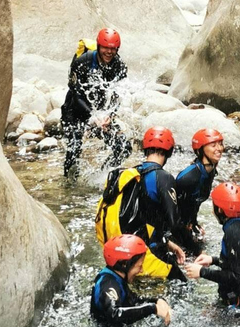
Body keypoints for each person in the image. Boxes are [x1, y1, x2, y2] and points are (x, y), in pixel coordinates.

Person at [94, 126, 186, 281]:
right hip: (147, 257)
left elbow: (140, 219)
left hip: (123, 256)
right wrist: (197, 251)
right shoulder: (163, 178)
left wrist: (169, 244)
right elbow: (174, 223)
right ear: (169, 152)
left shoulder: (131, 175)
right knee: (183, 286)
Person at [185, 182, 240, 310]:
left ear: (220, 210)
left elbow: (236, 277)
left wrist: (202, 272)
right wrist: (213, 260)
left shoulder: (234, 233)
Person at [61, 28, 131, 177]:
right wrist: (93, 116)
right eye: (105, 47)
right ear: (99, 46)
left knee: (124, 147)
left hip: (100, 114)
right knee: (74, 147)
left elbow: (117, 96)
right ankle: (69, 183)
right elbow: (76, 94)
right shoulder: (82, 62)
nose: (109, 52)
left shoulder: (119, 67)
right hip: (75, 111)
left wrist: (109, 116)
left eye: (113, 49)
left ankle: (103, 175)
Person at [91, 234, 172, 327]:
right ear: (125, 265)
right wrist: (152, 309)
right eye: (139, 266)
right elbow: (114, 314)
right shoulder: (108, 284)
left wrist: (157, 300)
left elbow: (133, 302)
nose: (141, 270)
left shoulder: (117, 278)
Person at [173, 128, 224, 256]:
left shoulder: (209, 170)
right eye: (213, 145)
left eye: (220, 144)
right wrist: (197, 251)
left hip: (185, 226)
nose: (219, 148)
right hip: (173, 230)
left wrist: (194, 222)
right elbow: (174, 215)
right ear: (200, 150)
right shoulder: (189, 178)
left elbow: (193, 202)